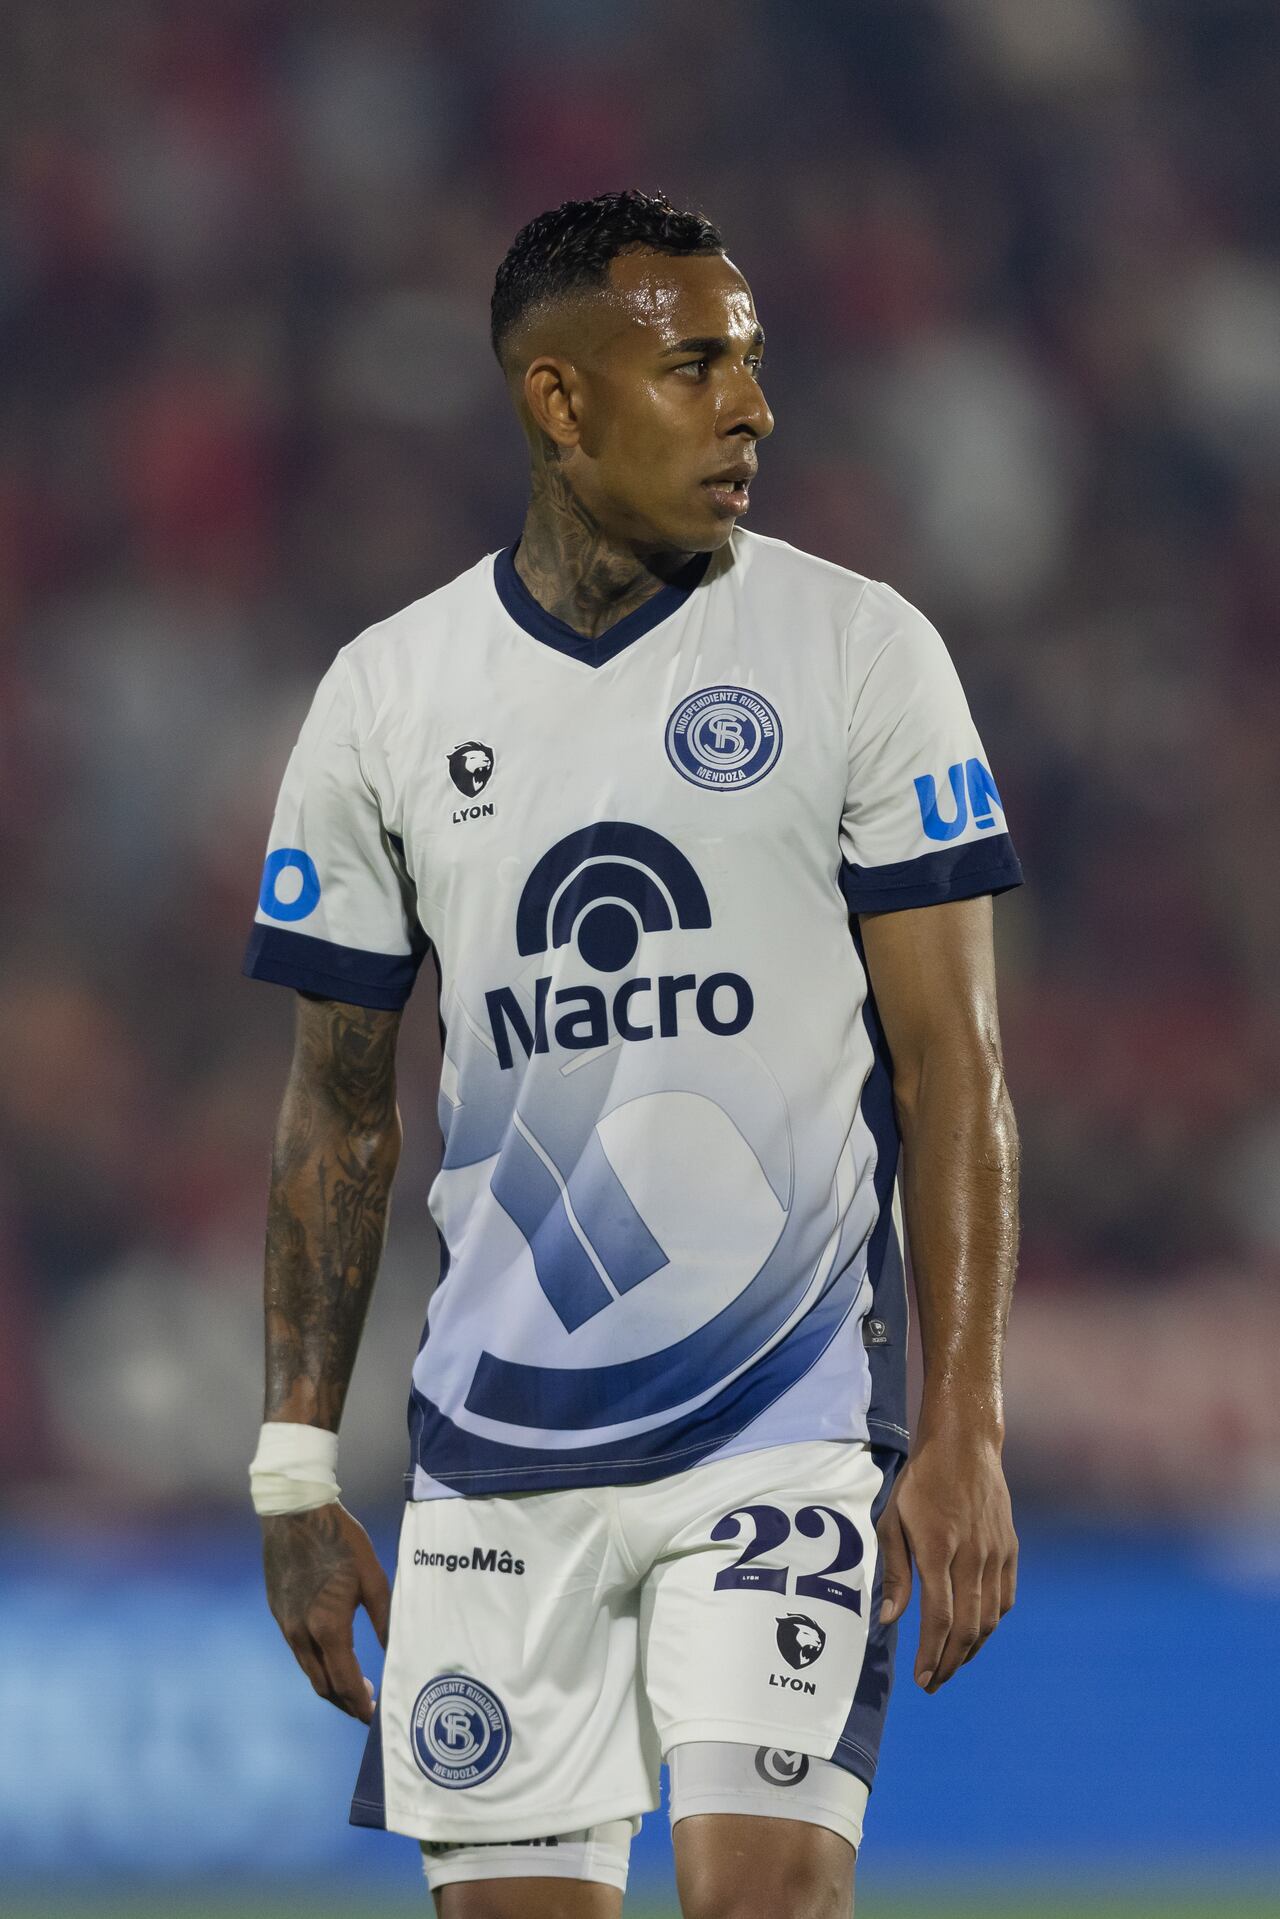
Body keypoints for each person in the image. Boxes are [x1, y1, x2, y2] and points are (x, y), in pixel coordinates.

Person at [245, 189, 1022, 1919]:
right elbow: (337, 1119)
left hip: (789, 1422)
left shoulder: (858, 650)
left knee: (764, 1900)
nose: (751, 408)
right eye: (695, 368)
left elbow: (953, 1067)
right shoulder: (389, 695)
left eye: (752, 365)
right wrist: (295, 1465)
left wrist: (962, 1418)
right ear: (561, 402)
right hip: (495, 1454)